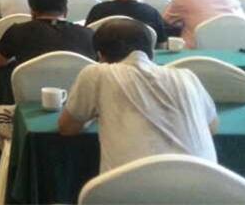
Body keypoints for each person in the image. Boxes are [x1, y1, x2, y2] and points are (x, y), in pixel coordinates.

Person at [58, 18, 217, 172]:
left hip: (129, 187)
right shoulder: (187, 76)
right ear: (151, 52)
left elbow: (67, 128)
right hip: (208, 185)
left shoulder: (97, 73)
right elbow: (212, 127)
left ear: (100, 56)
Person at [0, 0, 95, 144]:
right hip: (77, 113)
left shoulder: (18, 31)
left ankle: (24, 143)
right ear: (65, 9)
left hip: (29, 108)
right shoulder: (88, 34)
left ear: (32, 10)